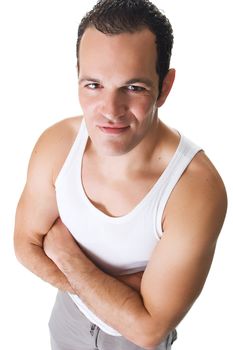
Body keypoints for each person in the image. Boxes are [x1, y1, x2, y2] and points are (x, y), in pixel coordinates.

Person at [14, 0, 227, 349]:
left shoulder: (194, 189)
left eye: (133, 88)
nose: (110, 111)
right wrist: (121, 293)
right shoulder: (56, 146)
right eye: (94, 85)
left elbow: (148, 331)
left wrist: (65, 254)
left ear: (165, 87)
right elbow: (25, 246)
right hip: (66, 323)